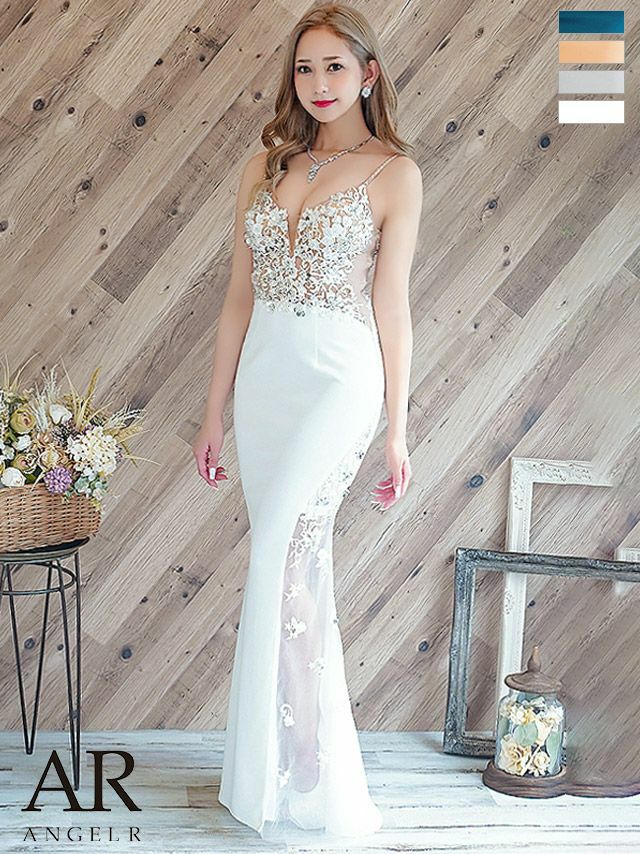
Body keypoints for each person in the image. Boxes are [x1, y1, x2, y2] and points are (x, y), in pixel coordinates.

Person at [191, 1, 422, 841]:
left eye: (335, 67)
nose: (318, 83)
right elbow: (237, 298)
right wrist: (212, 413)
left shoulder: (396, 173)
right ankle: (280, 763)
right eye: (304, 67)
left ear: (368, 74)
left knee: (284, 555)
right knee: (285, 563)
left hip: (339, 380)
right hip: (266, 381)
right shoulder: (264, 165)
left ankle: (305, 762)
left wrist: (397, 430)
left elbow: (392, 308)